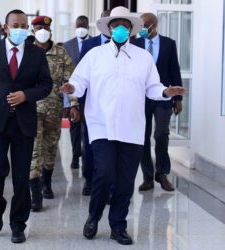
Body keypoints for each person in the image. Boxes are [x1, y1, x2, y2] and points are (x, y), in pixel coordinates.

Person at [60, 6, 186, 245]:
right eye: (116, 25)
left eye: (125, 26)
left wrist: (166, 92)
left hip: (131, 128)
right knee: (105, 174)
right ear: (109, 28)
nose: (120, 29)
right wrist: (71, 88)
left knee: (126, 180)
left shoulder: (143, 57)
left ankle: (119, 226)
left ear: (131, 30)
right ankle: (94, 216)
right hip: (101, 125)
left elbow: (152, 87)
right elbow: (79, 81)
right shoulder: (95, 55)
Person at [0, 9, 52, 244]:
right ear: (6, 28)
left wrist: (26, 95)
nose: (19, 28)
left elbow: (46, 85)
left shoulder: (36, 54)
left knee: (21, 177)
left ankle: (18, 224)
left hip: (24, 123)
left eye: (23, 25)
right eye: (15, 24)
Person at [28, 15, 78, 212]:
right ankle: (35, 195)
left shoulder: (61, 53)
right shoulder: (27, 52)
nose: (42, 31)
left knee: (50, 147)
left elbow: (70, 81)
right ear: (33, 31)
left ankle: (46, 182)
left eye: (45, 28)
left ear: (50, 31)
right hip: (31, 109)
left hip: (54, 109)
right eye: (38, 27)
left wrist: (73, 104)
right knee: (34, 148)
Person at [131, 13, 183, 192]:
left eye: (146, 25)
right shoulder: (135, 44)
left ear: (155, 25)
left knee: (161, 133)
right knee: (142, 137)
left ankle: (162, 173)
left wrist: (177, 98)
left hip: (163, 96)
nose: (143, 29)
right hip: (142, 98)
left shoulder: (169, 43)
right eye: (141, 26)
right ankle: (147, 177)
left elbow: (174, 69)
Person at [78, 10, 111, 196]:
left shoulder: (130, 46)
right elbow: (82, 77)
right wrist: (80, 106)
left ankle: (111, 186)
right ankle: (89, 180)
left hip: (116, 108)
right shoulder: (89, 45)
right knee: (90, 145)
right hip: (93, 106)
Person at [63, 15, 91, 170]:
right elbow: (64, 75)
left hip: (90, 92)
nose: (81, 27)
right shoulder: (67, 45)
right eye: (79, 24)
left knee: (87, 126)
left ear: (88, 26)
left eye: (84, 24)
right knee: (74, 126)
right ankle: (75, 155)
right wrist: (67, 101)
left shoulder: (94, 44)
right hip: (72, 92)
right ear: (75, 26)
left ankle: (87, 157)